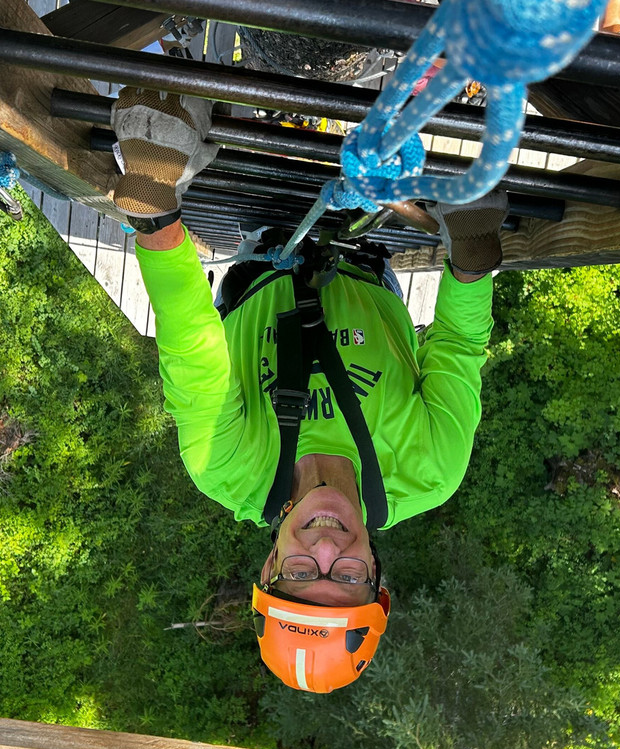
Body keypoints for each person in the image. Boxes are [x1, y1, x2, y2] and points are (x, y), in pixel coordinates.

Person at [112, 87, 502, 693]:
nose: (326, 547)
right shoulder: (430, 471)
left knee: (194, 109)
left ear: (270, 566)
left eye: (301, 572)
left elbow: (192, 351)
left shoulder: (228, 469)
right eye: (345, 578)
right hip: (368, 252)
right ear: (375, 575)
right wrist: (472, 257)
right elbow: (457, 345)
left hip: (260, 247)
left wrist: (157, 215)